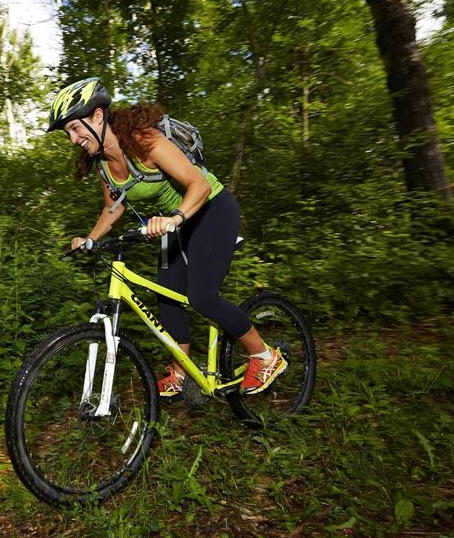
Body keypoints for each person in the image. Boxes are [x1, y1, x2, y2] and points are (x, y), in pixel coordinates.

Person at [46, 77, 287, 398]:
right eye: (68, 133)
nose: (73, 139)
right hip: (175, 223)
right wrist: (89, 239)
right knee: (167, 296)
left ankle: (264, 356)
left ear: (98, 116)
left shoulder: (144, 141)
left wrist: (174, 218)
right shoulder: (103, 165)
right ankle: (182, 372)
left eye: (75, 128)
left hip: (211, 209)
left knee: (203, 297)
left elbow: (199, 185)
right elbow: (113, 207)